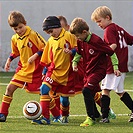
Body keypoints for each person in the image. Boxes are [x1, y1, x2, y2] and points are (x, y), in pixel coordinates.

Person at [0, 11, 47, 122]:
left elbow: (45, 47)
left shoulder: (32, 34)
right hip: (23, 69)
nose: (19, 31)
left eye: (20, 27)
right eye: (15, 29)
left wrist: (35, 56)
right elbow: (15, 52)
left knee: (44, 92)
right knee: (9, 88)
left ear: (25, 23)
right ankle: (2, 114)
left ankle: (49, 115)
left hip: (36, 70)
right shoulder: (14, 38)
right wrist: (9, 59)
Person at [32, 16, 78, 125]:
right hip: (53, 72)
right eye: (48, 33)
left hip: (67, 75)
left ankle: (64, 115)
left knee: (64, 100)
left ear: (57, 27)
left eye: (51, 31)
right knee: (44, 89)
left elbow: (79, 49)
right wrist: (44, 72)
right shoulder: (50, 41)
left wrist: (71, 51)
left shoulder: (69, 36)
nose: (50, 34)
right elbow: (47, 59)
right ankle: (45, 118)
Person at [69, 17, 115, 126]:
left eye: (77, 35)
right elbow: (79, 54)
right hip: (88, 71)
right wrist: (74, 63)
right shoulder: (81, 41)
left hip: (98, 71)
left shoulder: (96, 41)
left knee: (86, 90)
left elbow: (111, 52)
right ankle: (99, 115)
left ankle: (90, 118)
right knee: (90, 93)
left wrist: (116, 67)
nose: (77, 38)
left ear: (84, 32)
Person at [91, 6, 133, 123]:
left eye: (99, 21)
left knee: (105, 89)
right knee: (119, 91)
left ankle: (105, 117)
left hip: (113, 65)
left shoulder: (109, 29)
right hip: (122, 65)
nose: (98, 24)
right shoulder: (119, 29)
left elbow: (113, 46)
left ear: (107, 17)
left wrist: (100, 53)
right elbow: (130, 40)